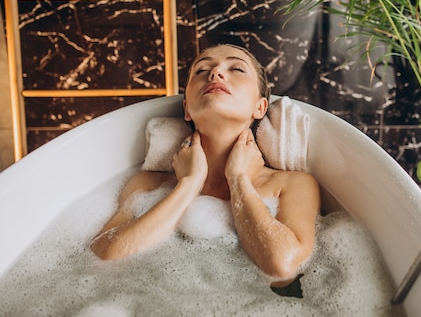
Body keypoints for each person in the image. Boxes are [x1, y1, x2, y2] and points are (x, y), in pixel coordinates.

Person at [90, 44, 321, 286]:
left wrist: (238, 179)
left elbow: (281, 265)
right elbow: (102, 256)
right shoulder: (147, 183)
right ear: (187, 108)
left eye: (237, 69)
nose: (216, 73)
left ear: (260, 107)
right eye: (202, 70)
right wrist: (189, 184)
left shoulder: (291, 184)